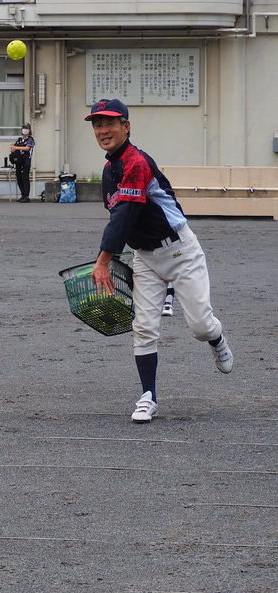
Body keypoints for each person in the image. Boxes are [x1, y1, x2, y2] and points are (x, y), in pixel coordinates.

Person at [86, 98, 233, 424]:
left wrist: (104, 259)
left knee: (200, 326)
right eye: (97, 124)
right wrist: (109, 256)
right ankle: (148, 397)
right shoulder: (110, 169)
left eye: (109, 123)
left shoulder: (136, 162)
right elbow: (119, 219)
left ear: (126, 126)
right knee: (144, 327)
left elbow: (126, 213)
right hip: (146, 257)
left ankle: (216, 337)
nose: (102, 130)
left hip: (181, 252)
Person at [11, 123, 35, 202]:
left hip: (26, 161)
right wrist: (13, 149)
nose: (25, 130)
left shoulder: (30, 139)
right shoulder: (19, 140)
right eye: (23, 128)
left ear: (29, 130)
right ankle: (23, 194)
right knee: (19, 178)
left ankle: (26, 196)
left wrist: (16, 147)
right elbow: (14, 147)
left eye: (26, 129)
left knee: (25, 178)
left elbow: (27, 148)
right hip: (19, 161)